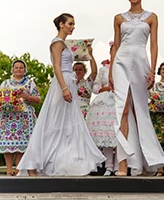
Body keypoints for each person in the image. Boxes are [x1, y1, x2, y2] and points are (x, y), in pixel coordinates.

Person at [17, 13, 105, 176]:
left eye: (73, 24)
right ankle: (33, 163)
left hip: (68, 82)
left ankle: (58, 160)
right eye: (70, 23)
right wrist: (64, 88)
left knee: (67, 123)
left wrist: (89, 53)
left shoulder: (63, 43)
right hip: (62, 82)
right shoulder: (57, 43)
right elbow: (56, 66)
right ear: (62, 25)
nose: (73, 26)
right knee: (53, 121)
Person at [109, 0, 164, 176]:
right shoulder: (118, 18)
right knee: (122, 110)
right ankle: (123, 163)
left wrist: (152, 70)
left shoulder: (152, 17)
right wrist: (110, 71)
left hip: (141, 62)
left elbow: (154, 45)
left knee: (140, 111)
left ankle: (146, 160)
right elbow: (115, 46)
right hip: (121, 62)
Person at [0, 60, 40, 176]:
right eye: (16, 68)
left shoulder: (29, 83)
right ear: (12, 70)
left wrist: (28, 97)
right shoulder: (5, 83)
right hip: (7, 117)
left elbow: (38, 99)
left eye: (21, 68)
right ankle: (8, 171)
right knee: (7, 143)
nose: (18, 70)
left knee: (21, 145)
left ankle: (18, 170)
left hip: (24, 118)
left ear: (25, 70)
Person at [86, 41, 118, 176]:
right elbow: (95, 87)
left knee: (119, 134)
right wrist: (106, 88)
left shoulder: (125, 67)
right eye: (113, 50)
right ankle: (109, 165)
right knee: (107, 134)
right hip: (105, 101)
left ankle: (119, 164)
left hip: (120, 100)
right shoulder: (104, 69)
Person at [73, 47, 97, 119]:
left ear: (84, 71)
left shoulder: (88, 82)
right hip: (71, 113)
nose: (78, 72)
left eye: (80, 69)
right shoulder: (68, 83)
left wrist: (90, 55)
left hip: (85, 114)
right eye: (76, 70)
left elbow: (94, 72)